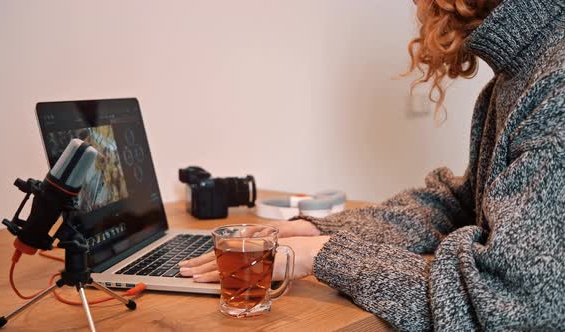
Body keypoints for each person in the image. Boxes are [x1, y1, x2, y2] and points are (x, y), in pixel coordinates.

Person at [179, 0, 565, 330]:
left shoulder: (555, 85)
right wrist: (312, 228)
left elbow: (512, 304)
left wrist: (324, 254)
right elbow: (456, 206)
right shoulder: (516, 76)